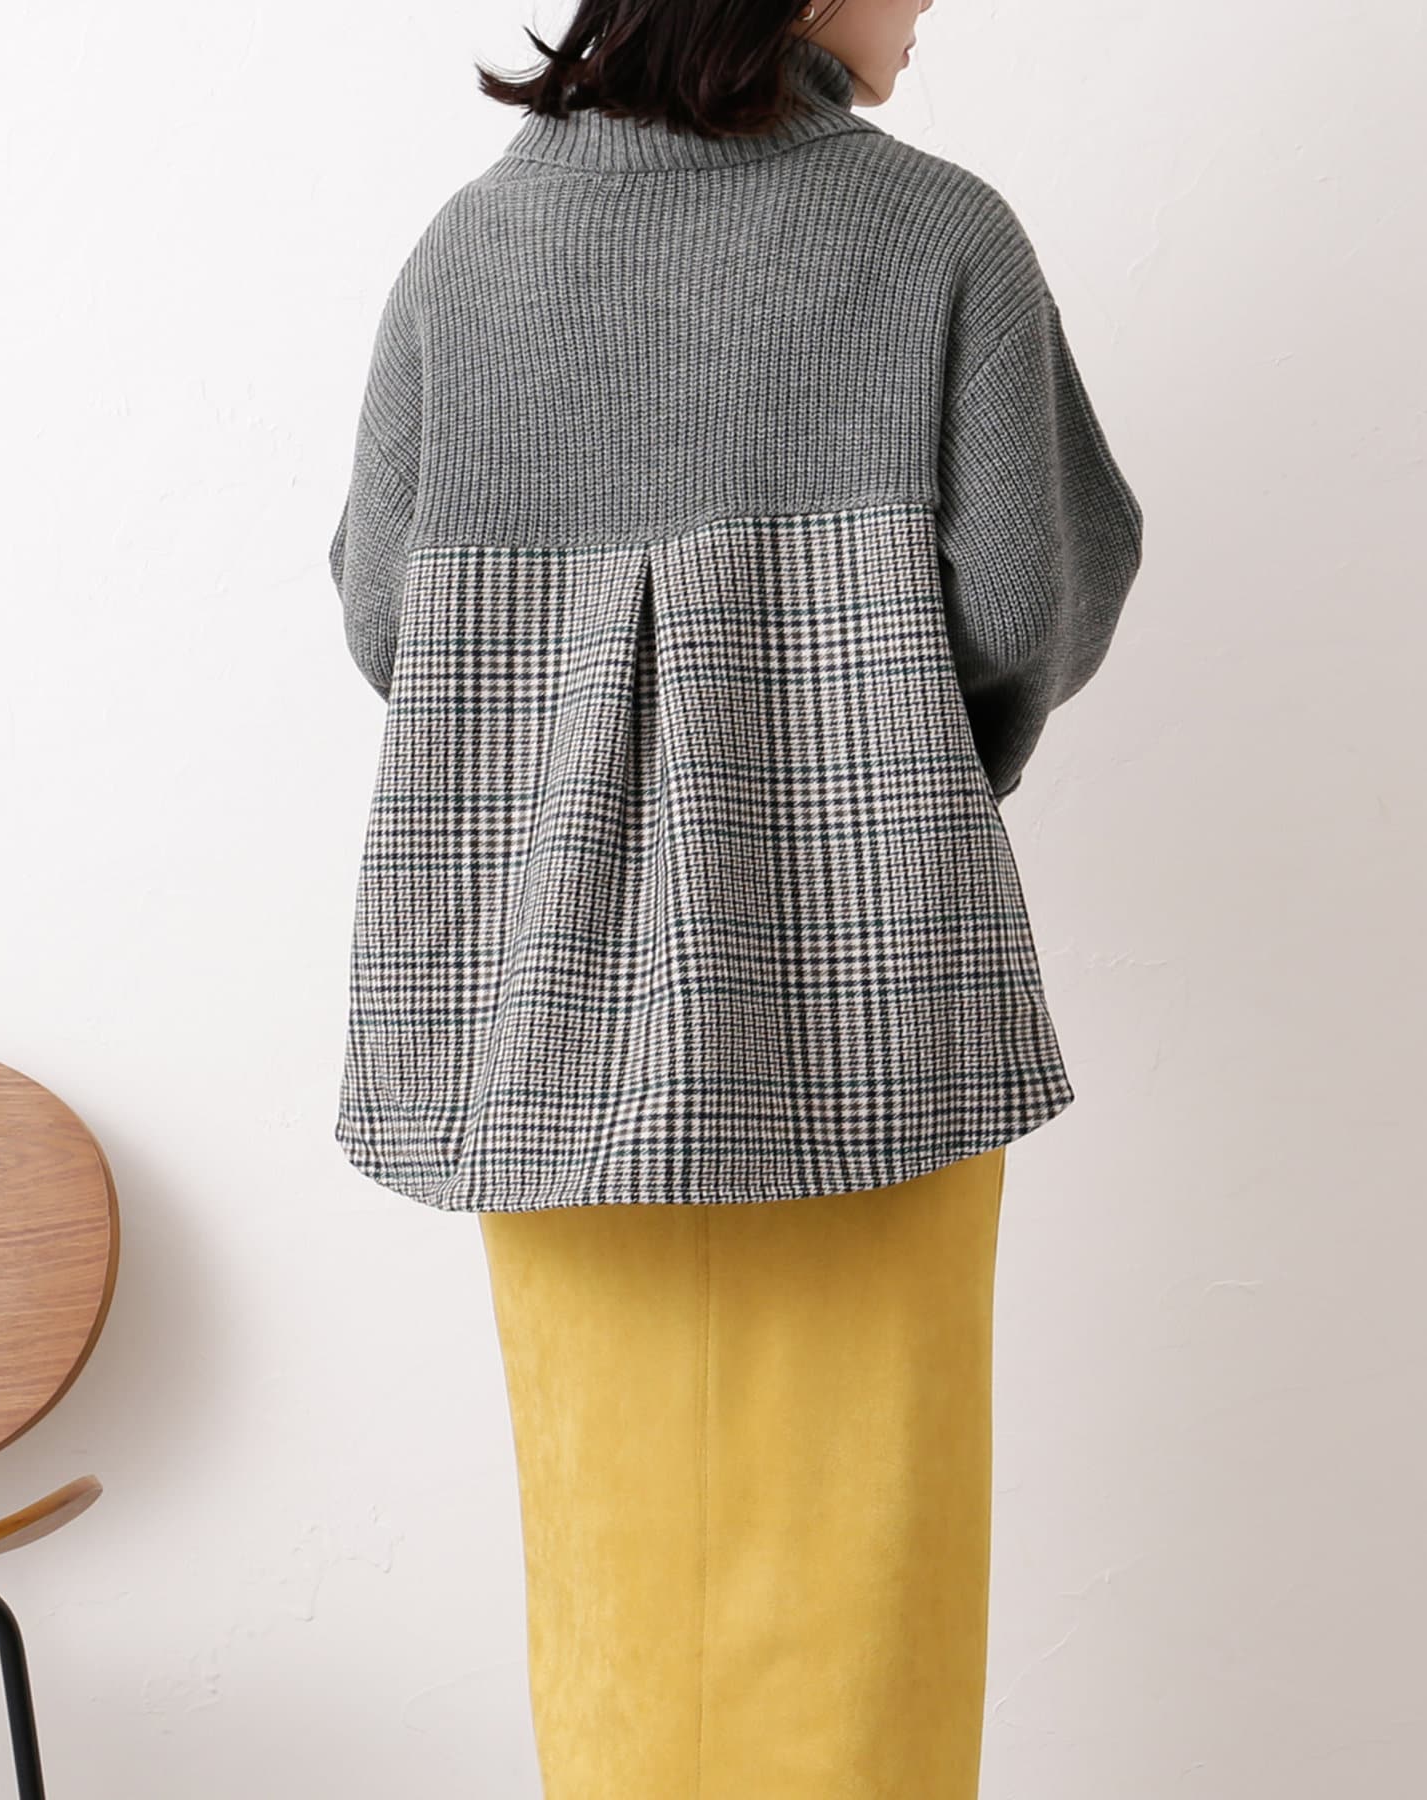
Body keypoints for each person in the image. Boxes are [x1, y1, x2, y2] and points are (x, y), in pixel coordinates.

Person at [328, 1, 1144, 1792]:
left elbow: (388, 613)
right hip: (873, 1015)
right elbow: (1033, 598)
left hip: (552, 1043)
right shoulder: (936, 235)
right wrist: (902, 761)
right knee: (869, 1585)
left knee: (616, 1576)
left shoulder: (471, 250)